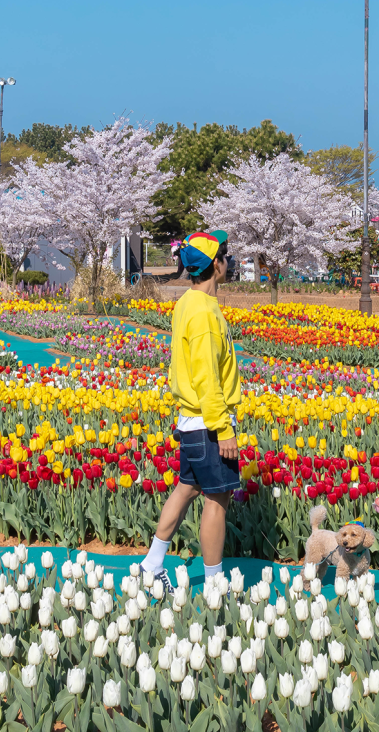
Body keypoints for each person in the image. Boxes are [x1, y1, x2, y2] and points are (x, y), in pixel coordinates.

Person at [140, 229, 240, 592]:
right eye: (225, 256)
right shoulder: (205, 316)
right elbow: (206, 375)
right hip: (207, 421)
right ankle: (215, 585)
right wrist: (223, 427)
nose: (229, 261)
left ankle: (151, 564)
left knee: (186, 487)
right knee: (217, 501)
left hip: (190, 418)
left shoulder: (188, 303)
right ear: (216, 265)